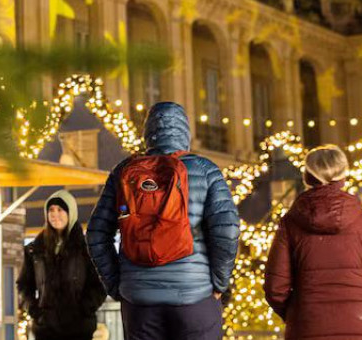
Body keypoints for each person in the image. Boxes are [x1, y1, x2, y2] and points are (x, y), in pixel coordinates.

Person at [87, 102, 240, 340]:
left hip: (138, 301)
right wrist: (219, 283)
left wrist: (117, 285)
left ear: (148, 133)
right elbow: (227, 231)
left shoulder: (124, 172)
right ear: (185, 132)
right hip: (194, 295)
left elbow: (97, 233)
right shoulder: (205, 170)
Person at [263, 145, 362, 339]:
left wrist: (298, 314)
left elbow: (275, 288)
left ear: (307, 177)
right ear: (343, 178)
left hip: (307, 327)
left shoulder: (290, 223)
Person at [17, 190, 106, 340]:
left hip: (78, 328)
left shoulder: (86, 248)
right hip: (46, 328)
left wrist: (85, 309)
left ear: (71, 212)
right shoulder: (35, 249)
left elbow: (100, 283)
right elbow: (24, 284)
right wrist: (34, 311)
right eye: (51, 210)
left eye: (60, 209)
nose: (55, 214)